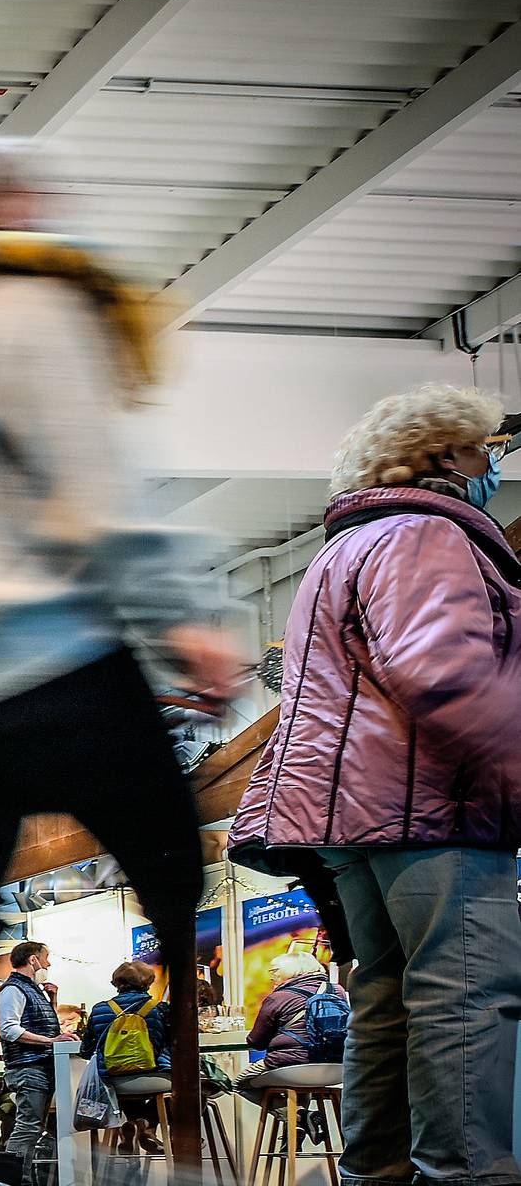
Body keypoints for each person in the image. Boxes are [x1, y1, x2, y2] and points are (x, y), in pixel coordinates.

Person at [0, 135, 237, 1186]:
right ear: (9, 206)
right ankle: (195, 1140)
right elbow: (91, 486)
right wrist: (186, 618)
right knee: (172, 866)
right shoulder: (28, 305)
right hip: (45, 656)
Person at [229, 381, 521, 1186]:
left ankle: (379, 1172)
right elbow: (445, 672)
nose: (495, 462)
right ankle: (463, 1176)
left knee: (387, 1000)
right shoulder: (426, 536)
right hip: (432, 809)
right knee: (467, 998)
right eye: (487, 448)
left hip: (349, 818)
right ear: (445, 456)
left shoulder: (340, 551)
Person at [0, 941, 73, 1169]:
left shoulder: (30, 989)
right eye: (45, 958)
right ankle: (12, 1177)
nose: (48, 963)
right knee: (27, 1128)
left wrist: (52, 1001)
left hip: (38, 1067)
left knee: (32, 1128)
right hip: (28, 1068)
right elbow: (8, 1029)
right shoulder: (13, 990)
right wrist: (51, 1041)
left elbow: (40, 1025)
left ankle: (18, 1176)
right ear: (33, 960)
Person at [82, 962, 173, 1155]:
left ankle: (131, 1125)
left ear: (116, 983)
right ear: (148, 983)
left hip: (113, 1081)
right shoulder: (160, 1009)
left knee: (120, 1083)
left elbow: (86, 1050)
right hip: (155, 1078)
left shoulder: (99, 1010)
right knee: (188, 1089)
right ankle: (146, 1125)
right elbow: (176, 1044)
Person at [240, 950, 334, 1077]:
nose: (272, 977)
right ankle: (292, 1096)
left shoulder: (279, 997)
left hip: (288, 1064)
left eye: (275, 971)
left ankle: (278, 1096)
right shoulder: (336, 990)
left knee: (238, 1083)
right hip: (334, 1066)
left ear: (288, 971)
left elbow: (256, 1042)